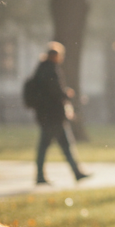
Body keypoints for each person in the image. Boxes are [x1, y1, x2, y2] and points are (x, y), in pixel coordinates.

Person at [28, 42, 90, 185]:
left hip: (46, 114)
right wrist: (66, 94)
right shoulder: (50, 69)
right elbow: (54, 91)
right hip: (53, 115)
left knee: (52, 145)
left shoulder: (41, 69)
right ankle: (73, 172)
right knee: (58, 145)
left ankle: (72, 172)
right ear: (55, 56)